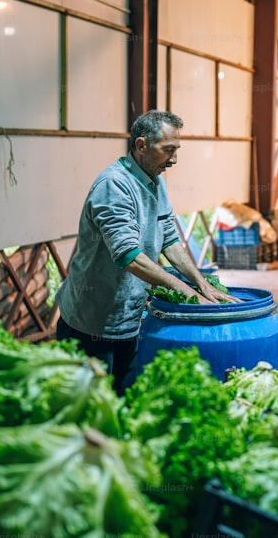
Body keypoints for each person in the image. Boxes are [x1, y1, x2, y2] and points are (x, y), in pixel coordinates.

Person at [56, 110, 236, 395]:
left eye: (176, 150)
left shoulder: (155, 180)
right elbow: (129, 256)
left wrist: (201, 284)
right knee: (92, 408)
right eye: (168, 150)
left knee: (126, 401)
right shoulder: (114, 186)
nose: (174, 160)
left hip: (128, 320)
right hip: (91, 321)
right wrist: (187, 293)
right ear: (141, 145)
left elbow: (169, 239)